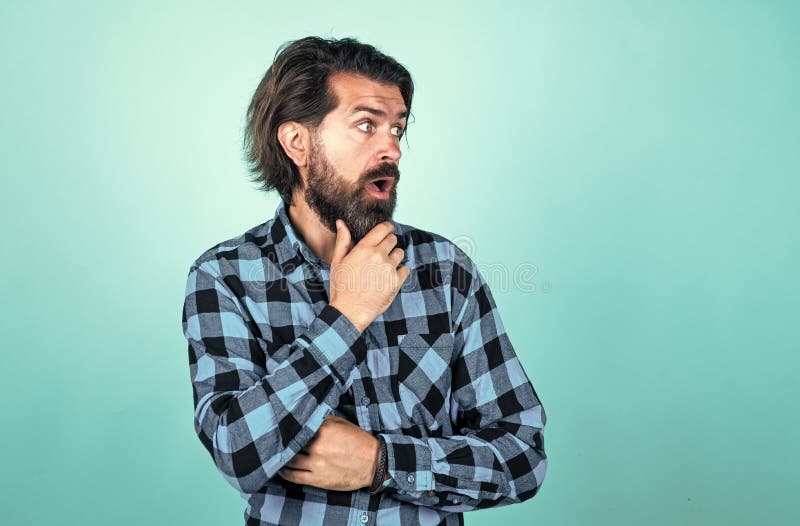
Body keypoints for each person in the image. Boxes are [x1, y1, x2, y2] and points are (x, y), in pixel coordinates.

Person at [181, 35, 547, 526]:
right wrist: (347, 316)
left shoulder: (446, 270)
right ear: (297, 142)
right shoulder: (225, 277)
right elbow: (237, 450)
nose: (391, 147)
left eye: (397, 128)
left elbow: (524, 457)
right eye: (366, 125)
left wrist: (383, 463)